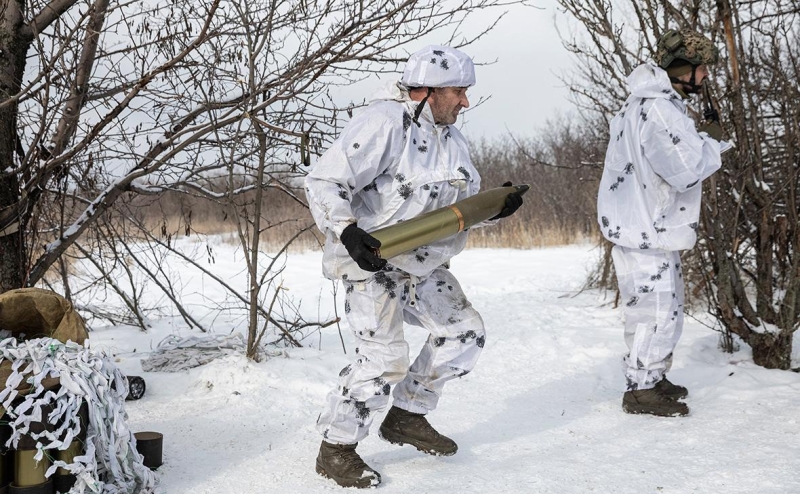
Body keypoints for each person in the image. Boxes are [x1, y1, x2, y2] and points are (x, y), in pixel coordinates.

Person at [305, 45, 523, 488]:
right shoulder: (384, 123)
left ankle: (407, 415)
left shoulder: (452, 139)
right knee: (384, 358)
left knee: (464, 332)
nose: (466, 102)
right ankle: (336, 448)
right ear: (429, 90)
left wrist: (493, 208)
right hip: (373, 263)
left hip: (423, 264)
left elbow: (459, 205)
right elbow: (325, 180)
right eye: (459, 92)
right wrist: (347, 230)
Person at [597, 29, 730, 417]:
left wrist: (699, 138)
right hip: (646, 230)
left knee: (662, 310)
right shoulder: (658, 109)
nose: (706, 75)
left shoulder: (647, 104)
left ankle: (652, 377)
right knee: (653, 313)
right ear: (681, 68)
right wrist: (712, 142)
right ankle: (641, 389)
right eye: (702, 68)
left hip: (647, 227)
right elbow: (685, 171)